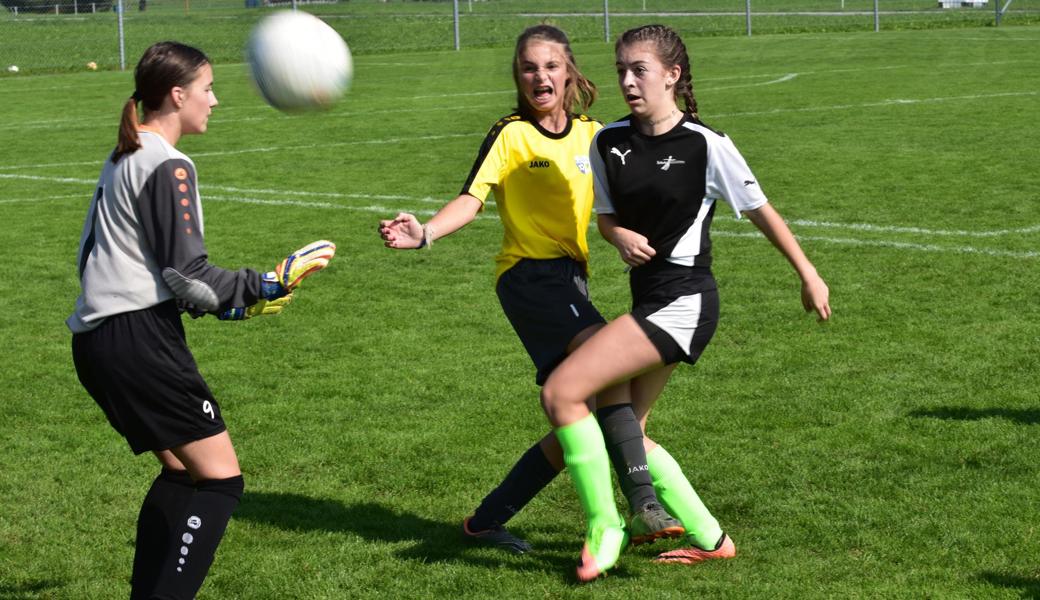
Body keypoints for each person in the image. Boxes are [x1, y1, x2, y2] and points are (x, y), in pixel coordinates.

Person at [378, 24, 683, 575]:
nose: (539, 76)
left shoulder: (594, 134)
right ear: (518, 77)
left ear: (567, 71)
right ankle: (641, 504)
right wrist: (424, 232)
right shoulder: (510, 134)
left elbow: (637, 180)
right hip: (527, 278)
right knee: (604, 363)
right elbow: (470, 200)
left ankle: (487, 519)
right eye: (527, 67)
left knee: (583, 411)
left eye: (549, 66)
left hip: (572, 279)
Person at [539, 23, 833, 579]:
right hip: (648, 299)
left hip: (685, 302)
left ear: (672, 76)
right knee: (628, 431)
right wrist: (616, 236)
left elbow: (762, 211)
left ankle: (606, 529)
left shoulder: (706, 143)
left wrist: (808, 274)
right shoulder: (610, 141)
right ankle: (711, 537)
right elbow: (606, 216)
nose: (627, 80)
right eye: (621, 69)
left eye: (640, 70)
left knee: (563, 391)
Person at [67, 41, 335, 600]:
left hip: (98, 340)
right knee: (222, 481)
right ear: (178, 93)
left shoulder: (125, 151)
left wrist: (234, 302)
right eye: (209, 89)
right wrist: (266, 282)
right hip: (140, 341)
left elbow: (142, 270)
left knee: (181, 471)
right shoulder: (170, 164)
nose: (215, 101)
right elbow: (187, 275)